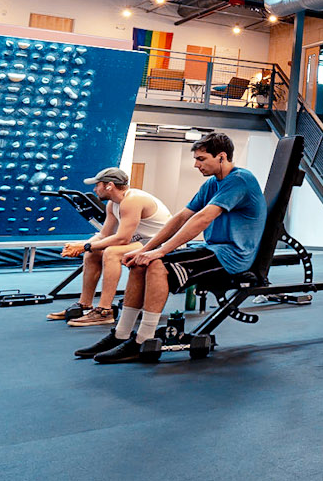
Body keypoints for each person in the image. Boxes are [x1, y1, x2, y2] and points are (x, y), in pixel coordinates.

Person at [75, 133, 265, 364]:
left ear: (222, 156)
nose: (196, 164)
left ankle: (143, 339)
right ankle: (121, 334)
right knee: (140, 262)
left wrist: (161, 252)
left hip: (232, 256)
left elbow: (202, 219)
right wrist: (147, 249)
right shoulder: (212, 184)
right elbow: (181, 217)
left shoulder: (240, 180)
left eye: (202, 159)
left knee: (157, 266)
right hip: (212, 249)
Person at [50, 167, 173, 327]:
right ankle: (85, 304)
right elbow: (104, 234)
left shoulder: (132, 200)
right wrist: (82, 245)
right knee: (92, 253)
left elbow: (122, 238)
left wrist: (86, 246)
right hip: (143, 242)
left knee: (112, 252)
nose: (94, 189)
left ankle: (105, 311)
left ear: (109, 185)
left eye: (97, 185)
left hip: (161, 244)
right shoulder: (112, 205)